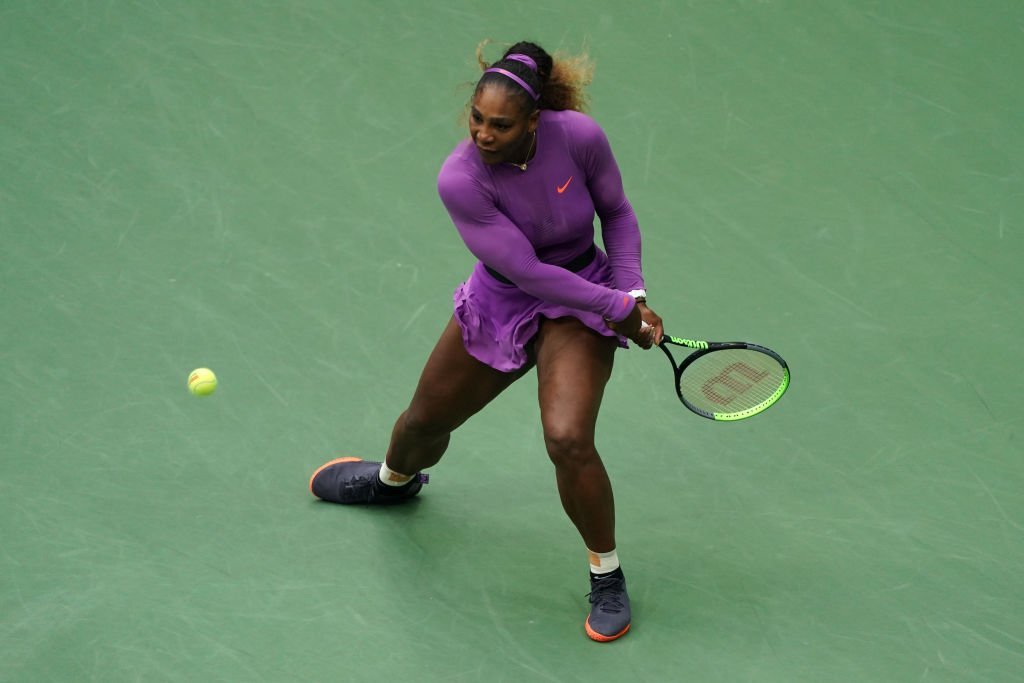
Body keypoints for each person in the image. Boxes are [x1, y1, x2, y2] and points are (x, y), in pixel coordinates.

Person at [309, 40, 664, 642]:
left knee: (568, 437)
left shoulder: (578, 136)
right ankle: (394, 482)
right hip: (503, 301)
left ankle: (607, 573)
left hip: (580, 302)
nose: (483, 134)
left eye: (500, 124)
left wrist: (629, 293)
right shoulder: (461, 180)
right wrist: (617, 308)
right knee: (422, 423)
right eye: (476, 119)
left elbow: (619, 213)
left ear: (534, 121)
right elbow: (525, 271)